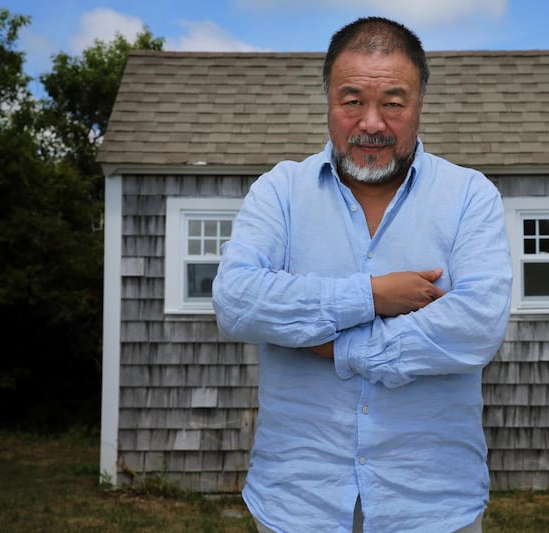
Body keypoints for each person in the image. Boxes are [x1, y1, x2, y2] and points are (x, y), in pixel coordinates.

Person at [213, 16, 512, 533]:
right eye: (352, 100)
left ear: (419, 106)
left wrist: (337, 346)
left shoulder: (469, 196)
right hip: (296, 500)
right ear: (328, 101)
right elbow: (237, 300)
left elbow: (478, 324)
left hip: (432, 505)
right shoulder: (280, 191)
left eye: (393, 103)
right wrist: (374, 296)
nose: (371, 122)